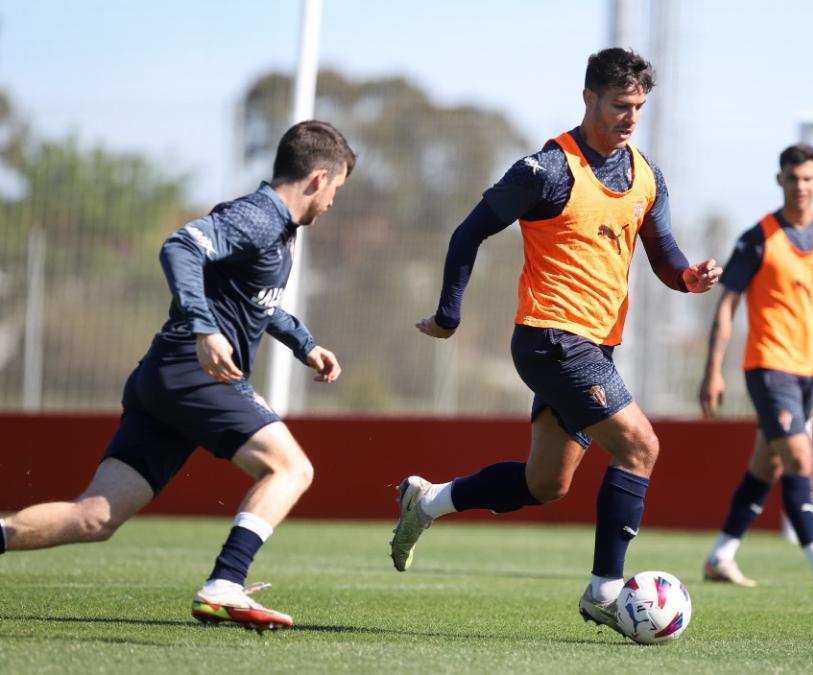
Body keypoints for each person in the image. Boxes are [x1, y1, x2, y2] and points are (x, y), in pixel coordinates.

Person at [391, 47, 721, 635]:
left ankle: (429, 500)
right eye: (619, 105)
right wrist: (448, 314)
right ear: (589, 97)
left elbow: (664, 252)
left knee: (545, 484)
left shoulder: (646, 175)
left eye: (638, 107)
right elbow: (469, 232)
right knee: (640, 447)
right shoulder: (546, 170)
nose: (630, 117)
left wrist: (687, 277)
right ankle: (605, 593)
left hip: (596, 345)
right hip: (552, 338)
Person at [0, 121, 356, 631]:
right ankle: (225, 583)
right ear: (319, 179)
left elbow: (257, 300)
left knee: (94, 518)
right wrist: (204, 329)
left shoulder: (279, 231)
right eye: (337, 189)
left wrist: (305, 343)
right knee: (291, 469)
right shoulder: (261, 215)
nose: (333, 202)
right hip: (193, 371)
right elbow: (181, 246)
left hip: (164, 376)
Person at [697, 143, 813, 590]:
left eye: (808, 178)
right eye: (792, 178)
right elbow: (727, 304)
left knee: (767, 464)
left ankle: (720, 556)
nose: (800, 186)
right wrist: (713, 368)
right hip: (768, 366)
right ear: (780, 180)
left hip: (810, 371)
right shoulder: (757, 238)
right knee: (798, 455)